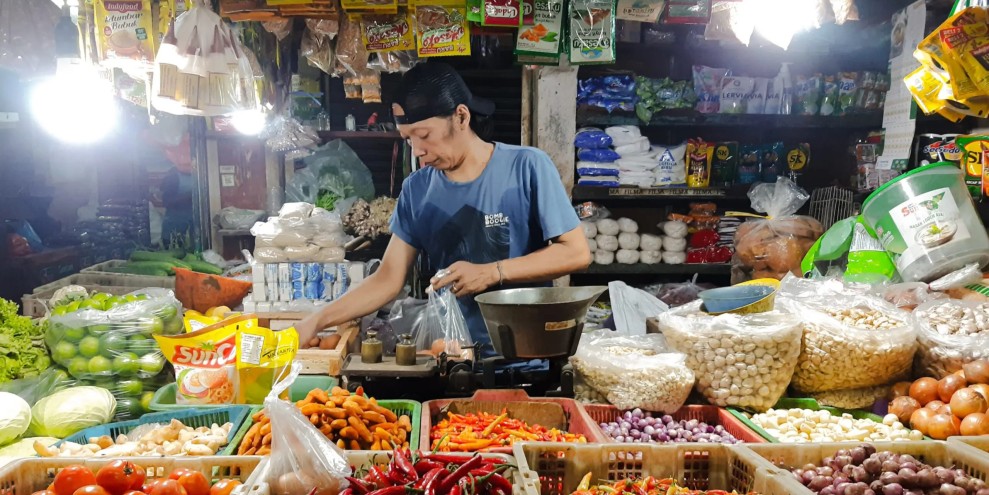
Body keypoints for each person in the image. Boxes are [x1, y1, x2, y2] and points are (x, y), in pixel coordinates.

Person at [294, 62, 591, 354]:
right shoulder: (417, 190)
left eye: (424, 135)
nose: (418, 150)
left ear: (461, 116)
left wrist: (493, 272)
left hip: (528, 355)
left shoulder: (527, 167)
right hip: (452, 356)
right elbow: (388, 278)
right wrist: (316, 320)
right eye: (408, 139)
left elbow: (575, 252)